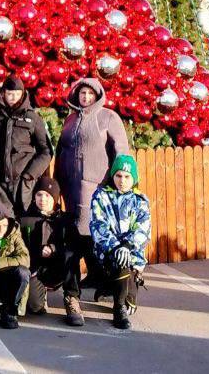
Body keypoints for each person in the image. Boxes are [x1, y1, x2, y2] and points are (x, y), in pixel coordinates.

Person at [54, 77, 129, 326]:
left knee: (97, 239)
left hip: (99, 190)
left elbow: (121, 152)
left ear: (97, 95)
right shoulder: (71, 119)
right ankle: (76, 293)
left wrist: (119, 184)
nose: (85, 97)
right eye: (81, 93)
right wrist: (57, 185)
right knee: (75, 240)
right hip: (71, 190)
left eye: (89, 93)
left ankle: (116, 292)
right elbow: (61, 151)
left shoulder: (108, 117)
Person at [89, 154, 151, 331]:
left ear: (134, 178)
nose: (122, 180)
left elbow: (143, 229)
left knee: (131, 299)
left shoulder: (140, 201)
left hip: (132, 253)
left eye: (127, 176)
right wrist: (116, 247)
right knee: (119, 263)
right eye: (118, 175)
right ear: (112, 176)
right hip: (108, 251)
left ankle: (123, 289)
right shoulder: (101, 196)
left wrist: (128, 246)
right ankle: (118, 308)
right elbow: (97, 225)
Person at [0, 76, 52, 221]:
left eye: (17, 94)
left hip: (23, 183)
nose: (13, 97)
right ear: (3, 93)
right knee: (1, 223)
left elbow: (46, 151)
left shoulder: (33, 118)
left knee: (25, 221)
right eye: (10, 93)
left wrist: (30, 175)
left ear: (23, 94)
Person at [19, 174, 68, 316]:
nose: (43, 199)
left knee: (71, 256)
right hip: (35, 268)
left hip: (56, 266)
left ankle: (71, 297)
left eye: (48, 196)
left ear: (55, 198)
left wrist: (53, 248)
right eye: (39, 195)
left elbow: (69, 243)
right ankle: (40, 294)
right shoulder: (25, 219)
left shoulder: (63, 220)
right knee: (35, 307)